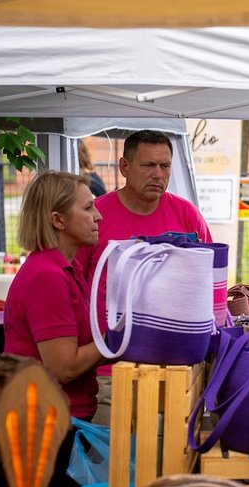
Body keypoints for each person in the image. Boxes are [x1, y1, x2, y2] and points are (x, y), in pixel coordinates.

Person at [76, 129, 213, 426]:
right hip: (110, 371)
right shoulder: (95, 216)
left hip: (175, 371)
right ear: (124, 167)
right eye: (148, 165)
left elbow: (209, 284)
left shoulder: (187, 215)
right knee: (110, 464)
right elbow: (72, 286)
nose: (158, 174)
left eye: (164, 166)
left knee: (170, 464)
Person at [3, 171, 105, 487]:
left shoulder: (66, 268)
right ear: (58, 220)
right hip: (47, 426)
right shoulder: (47, 276)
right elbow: (64, 367)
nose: (98, 215)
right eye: (88, 208)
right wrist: (113, 339)